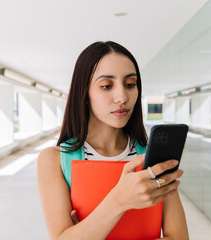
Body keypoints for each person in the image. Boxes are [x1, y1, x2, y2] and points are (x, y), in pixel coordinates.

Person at [37, 41, 189, 239]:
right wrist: (119, 200)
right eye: (106, 86)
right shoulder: (54, 160)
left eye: (130, 84)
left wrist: (87, 232)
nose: (122, 97)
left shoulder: (152, 157)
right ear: (84, 93)